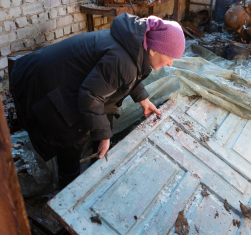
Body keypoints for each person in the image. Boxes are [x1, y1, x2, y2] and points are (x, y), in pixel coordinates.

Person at [9, 13, 185, 188]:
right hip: (47, 82)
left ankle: (93, 174)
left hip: (67, 78)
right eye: (170, 57)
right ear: (153, 49)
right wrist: (104, 136)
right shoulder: (122, 60)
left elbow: (126, 76)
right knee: (68, 134)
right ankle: (66, 193)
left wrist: (143, 100)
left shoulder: (135, 45)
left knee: (98, 118)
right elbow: (90, 96)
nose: (170, 63)